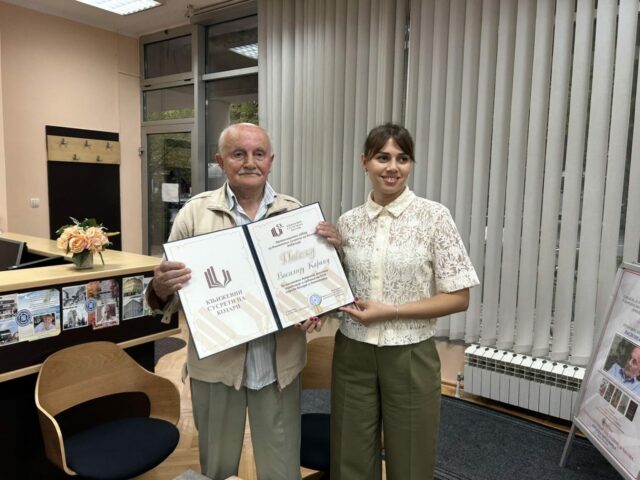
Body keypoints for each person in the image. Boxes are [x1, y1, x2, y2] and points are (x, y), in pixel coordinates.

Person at [146, 123, 320, 480]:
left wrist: (315, 308)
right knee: (217, 468)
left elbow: (311, 288)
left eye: (259, 154)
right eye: (238, 154)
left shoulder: (295, 214)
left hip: (278, 367)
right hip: (216, 367)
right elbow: (167, 297)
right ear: (220, 161)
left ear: (271, 160)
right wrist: (161, 287)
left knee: (282, 470)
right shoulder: (194, 214)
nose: (250, 162)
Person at [317, 123, 479, 480]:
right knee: (350, 456)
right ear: (365, 162)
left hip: (410, 354)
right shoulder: (348, 222)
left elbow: (459, 297)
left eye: (402, 158)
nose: (393, 167)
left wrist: (392, 311)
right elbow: (340, 288)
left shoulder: (434, 217)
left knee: (411, 458)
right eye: (383, 157)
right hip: (353, 353)